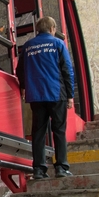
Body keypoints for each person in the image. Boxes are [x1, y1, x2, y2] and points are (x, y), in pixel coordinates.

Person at [16, 16, 75, 179]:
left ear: (37, 30)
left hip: (36, 95)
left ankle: (39, 169)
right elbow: (67, 70)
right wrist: (70, 94)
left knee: (38, 132)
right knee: (59, 130)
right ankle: (61, 167)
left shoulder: (27, 46)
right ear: (52, 29)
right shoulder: (58, 44)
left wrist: (23, 87)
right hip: (56, 93)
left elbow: (19, 70)